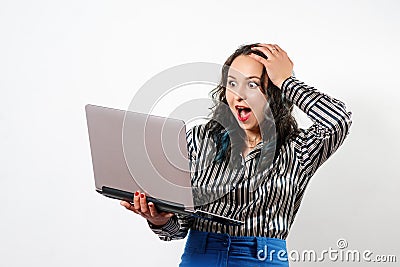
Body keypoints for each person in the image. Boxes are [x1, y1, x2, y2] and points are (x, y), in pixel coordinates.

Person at [120, 43, 353, 266]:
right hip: (201, 257)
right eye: (232, 83)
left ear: (274, 92)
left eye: (252, 85)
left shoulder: (298, 149)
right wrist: (161, 220)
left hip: (263, 259)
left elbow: (337, 119)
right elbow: (180, 226)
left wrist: (287, 81)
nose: (239, 95)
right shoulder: (199, 140)